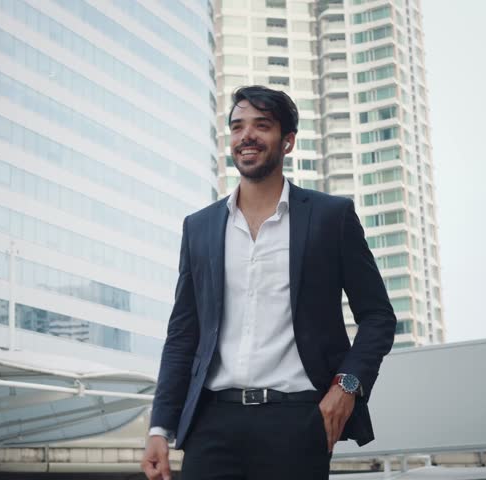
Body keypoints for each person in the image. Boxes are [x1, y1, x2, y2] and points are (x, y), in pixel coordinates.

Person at [140, 86, 397, 480]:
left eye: (262, 125)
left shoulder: (331, 217)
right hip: (212, 423)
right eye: (238, 126)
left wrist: (347, 386)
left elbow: (378, 316)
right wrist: (160, 426)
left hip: (296, 421)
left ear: (288, 141)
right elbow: (183, 334)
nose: (247, 135)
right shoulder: (200, 228)